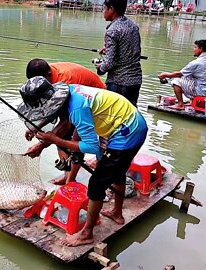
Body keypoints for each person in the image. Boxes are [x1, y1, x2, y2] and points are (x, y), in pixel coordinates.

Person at [19, 76, 148, 246]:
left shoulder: (77, 108)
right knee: (116, 171)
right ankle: (117, 213)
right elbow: (66, 122)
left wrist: (57, 141)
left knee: (97, 184)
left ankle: (87, 233)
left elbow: (92, 147)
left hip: (127, 132)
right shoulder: (67, 93)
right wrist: (40, 138)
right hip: (123, 123)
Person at [25, 59, 106, 185]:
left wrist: (41, 145)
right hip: (80, 105)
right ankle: (66, 174)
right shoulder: (45, 80)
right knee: (61, 138)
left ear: (49, 75)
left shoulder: (65, 82)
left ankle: (71, 179)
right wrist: (35, 127)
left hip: (94, 104)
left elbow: (66, 123)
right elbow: (51, 111)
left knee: (74, 141)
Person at [95, 0, 142, 107]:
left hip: (118, 82)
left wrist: (99, 67)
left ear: (111, 9)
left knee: (114, 117)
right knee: (131, 116)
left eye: (104, 8)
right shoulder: (133, 26)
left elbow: (109, 64)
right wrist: (109, 49)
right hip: (135, 80)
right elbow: (131, 50)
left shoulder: (112, 31)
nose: (103, 12)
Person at [157, 39, 206, 110]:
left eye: (195, 47)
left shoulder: (197, 62)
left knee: (176, 81)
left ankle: (180, 104)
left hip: (203, 92)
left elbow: (179, 74)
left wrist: (165, 75)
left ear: (201, 49)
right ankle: (191, 101)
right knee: (186, 77)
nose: (194, 49)